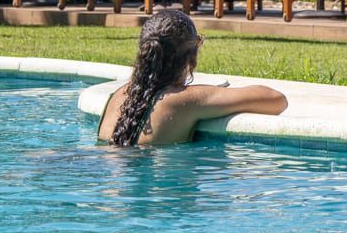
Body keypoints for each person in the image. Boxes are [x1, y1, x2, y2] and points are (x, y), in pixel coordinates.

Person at [98, 10, 288, 146]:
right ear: (191, 57)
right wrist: (209, 91)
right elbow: (276, 99)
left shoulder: (119, 95)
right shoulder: (184, 100)